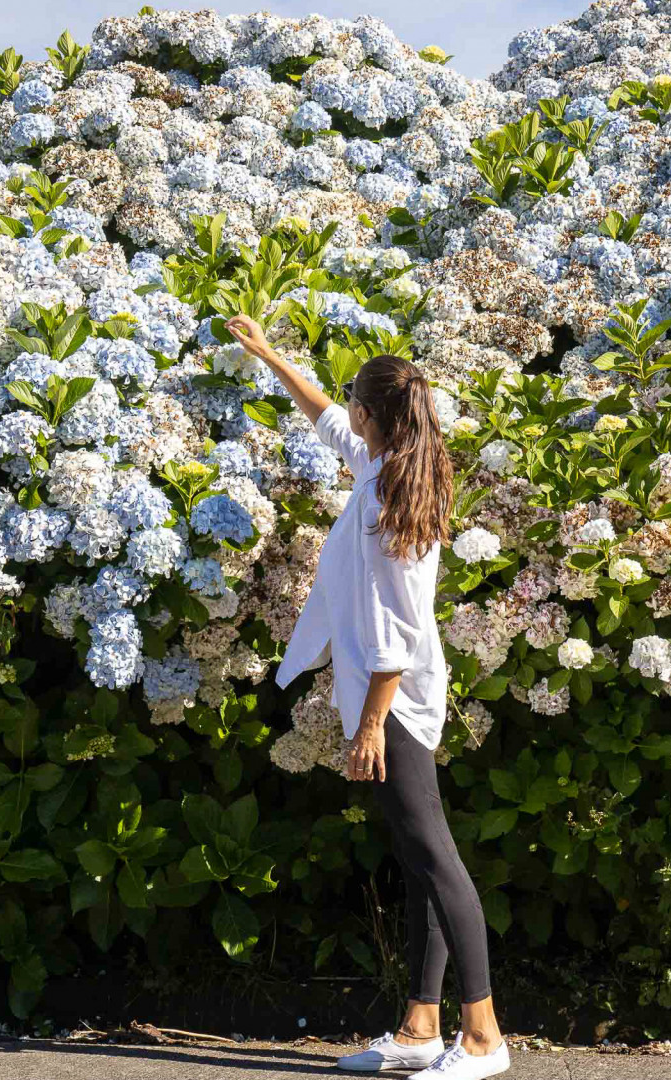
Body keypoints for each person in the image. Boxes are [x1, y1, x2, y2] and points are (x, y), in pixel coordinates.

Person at [224, 314, 509, 1079]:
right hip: (389, 694)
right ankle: (420, 1027)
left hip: (399, 701)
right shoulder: (384, 466)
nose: (342, 410)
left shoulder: (392, 500)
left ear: (372, 414)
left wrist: (372, 725)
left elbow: (401, 632)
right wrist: (268, 353)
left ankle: (482, 1037)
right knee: (420, 863)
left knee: (436, 861)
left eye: (352, 399)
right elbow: (325, 420)